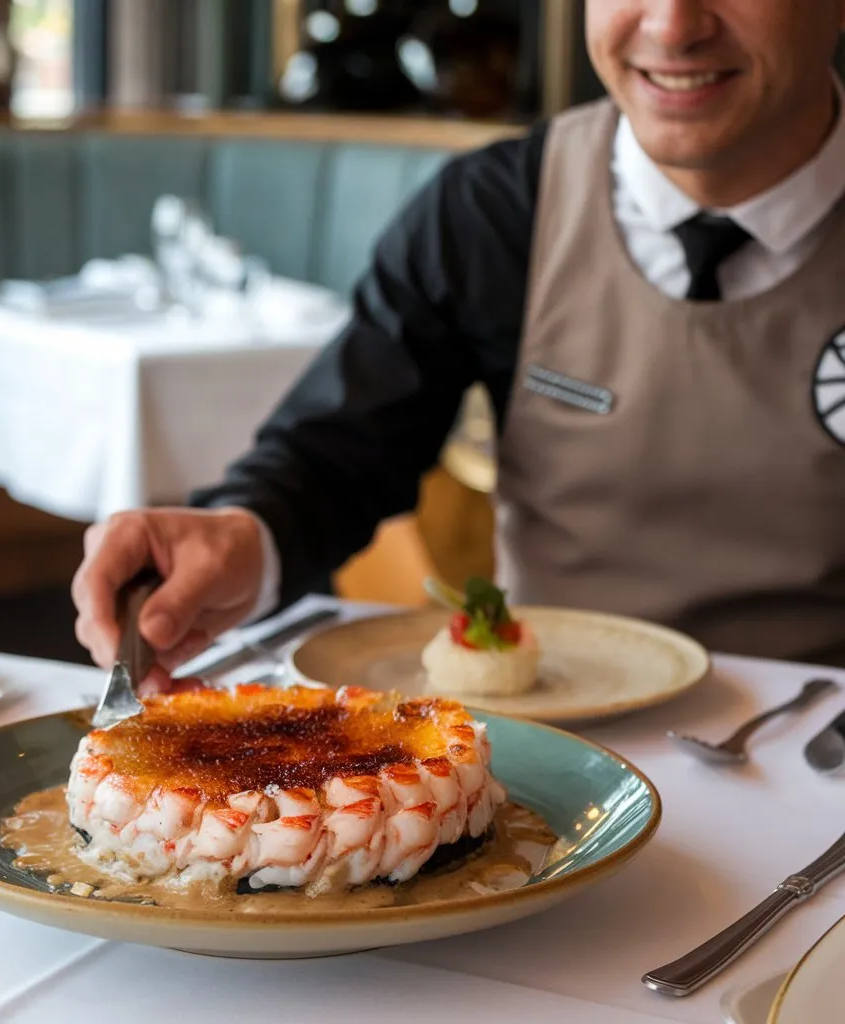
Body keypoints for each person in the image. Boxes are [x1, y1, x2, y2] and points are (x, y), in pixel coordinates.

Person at [73, 0, 845, 683]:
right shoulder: (493, 212)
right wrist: (242, 532)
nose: (673, 24)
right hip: (551, 749)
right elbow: (339, 452)